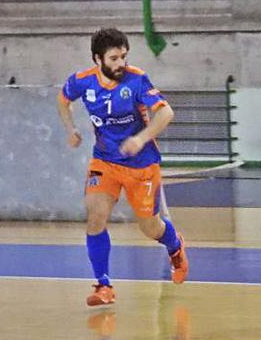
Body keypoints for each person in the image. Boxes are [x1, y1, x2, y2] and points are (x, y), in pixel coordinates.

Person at [57, 28, 189, 306]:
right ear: (98, 59)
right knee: (95, 216)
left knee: (150, 227)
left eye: (124, 57)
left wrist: (141, 139)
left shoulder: (137, 80)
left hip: (141, 166)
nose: (120, 64)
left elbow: (166, 112)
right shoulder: (82, 82)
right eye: (114, 58)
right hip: (104, 161)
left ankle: (175, 245)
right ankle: (103, 286)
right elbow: (63, 100)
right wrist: (70, 129)